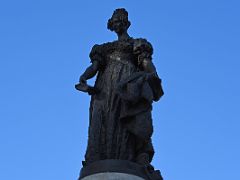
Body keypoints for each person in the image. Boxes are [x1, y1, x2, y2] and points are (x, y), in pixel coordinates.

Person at [76, 8, 163, 167]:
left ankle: (130, 158)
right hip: (104, 88)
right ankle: (99, 160)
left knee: (125, 121)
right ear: (111, 24)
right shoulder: (103, 48)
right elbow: (94, 67)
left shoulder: (136, 44)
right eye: (115, 21)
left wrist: (153, 74)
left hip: (127, 86)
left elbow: (146, 63)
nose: (117, 24)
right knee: (102, 121)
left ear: (126, 24)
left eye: (120, 21)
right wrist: (84, 77)